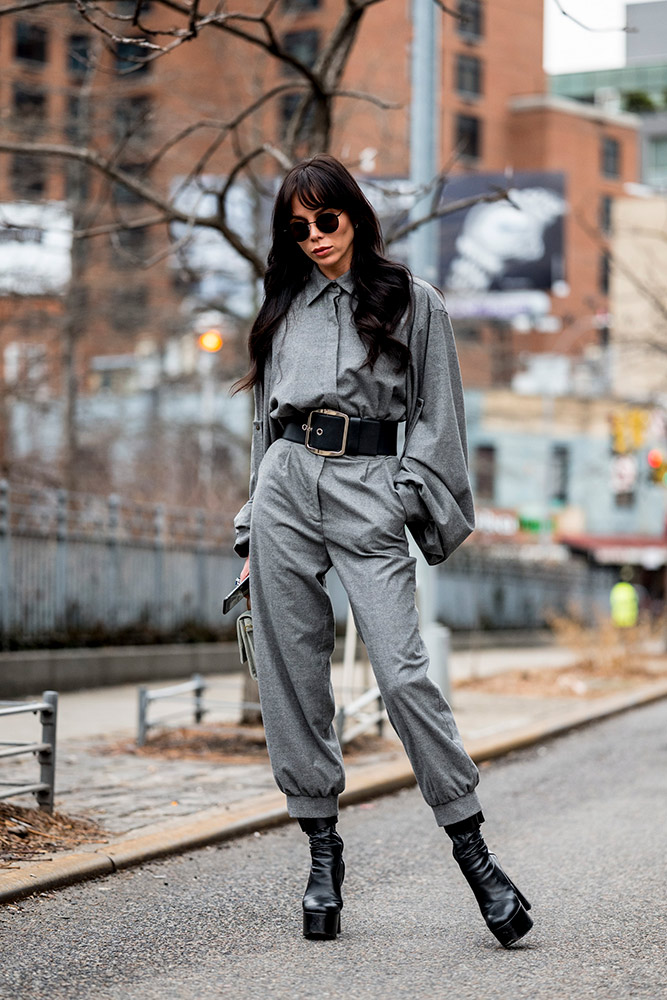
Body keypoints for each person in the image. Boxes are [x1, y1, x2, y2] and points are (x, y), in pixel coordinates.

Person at [229, 154, 532, 948]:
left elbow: (439, 416)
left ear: (354, 216)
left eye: (325, 220)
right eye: (297, 228)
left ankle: (475, 854)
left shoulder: (411, 301)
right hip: (284, 489)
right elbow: (262, 425)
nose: (314, 237)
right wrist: (249, 529)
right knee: (293, 678)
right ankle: (321, 854)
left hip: (369, 486)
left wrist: (403, 495)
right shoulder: (281, 305)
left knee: (401, 675)